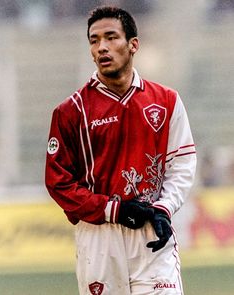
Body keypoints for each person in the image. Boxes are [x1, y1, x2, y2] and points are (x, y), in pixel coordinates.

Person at [45, 6, 197, 295]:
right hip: (100, 239)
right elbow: (58, 183)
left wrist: (164, 209)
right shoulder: (70, 112)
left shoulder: (167, 101)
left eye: (111, 37)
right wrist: (112, 209)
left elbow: (182, 163)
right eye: (94, 40)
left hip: (151, 231)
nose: (102, 47)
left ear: (133, 44)